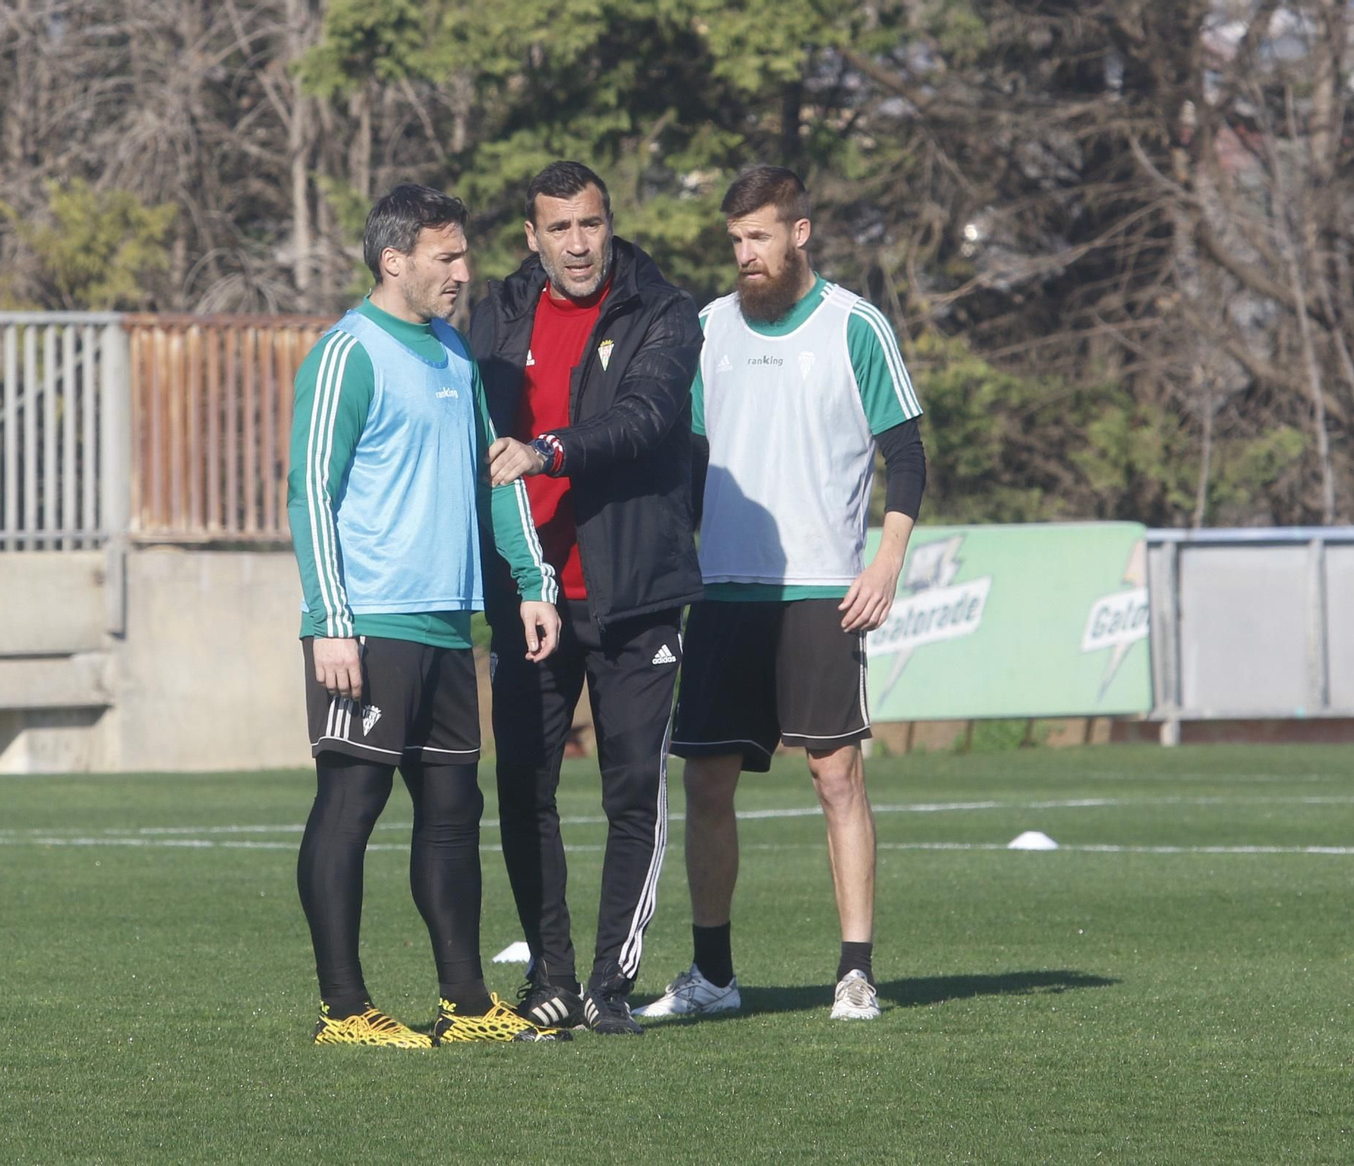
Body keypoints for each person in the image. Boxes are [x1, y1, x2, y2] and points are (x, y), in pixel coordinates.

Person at [637, 165, 927, 1023]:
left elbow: (905, 453)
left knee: (836, 775)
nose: (745, 254)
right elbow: (685, 464)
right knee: (707, 783)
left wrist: (886, 563)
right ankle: (715, 977)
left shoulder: (855, 327)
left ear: (801, 233)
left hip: (822, 589)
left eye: (759, 236)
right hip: (722, 591)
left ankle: (856, 972)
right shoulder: (705, 330)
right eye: (734, 240)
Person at [286, 182, 569, 1048]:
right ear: (394, 260)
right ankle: (345, 1009)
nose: (463, 271)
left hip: (452, 627)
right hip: (368, 622)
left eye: (464, 254)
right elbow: (310, 493)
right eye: (446, 257)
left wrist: (531, 580)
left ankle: (465, 1000)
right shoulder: (347, 353)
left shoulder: (453, 351)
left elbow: (498, 475)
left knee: (454, 809)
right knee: (353, 801)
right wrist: (331, 616)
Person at [469, 161, 705, 1036]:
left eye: (591, 225)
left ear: (611, 225)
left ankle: (609, 986)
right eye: (560, 228)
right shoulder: (494, 316)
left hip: (635, 593)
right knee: (524, 786)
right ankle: (552, 980)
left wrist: (547, 451)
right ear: (533, 237)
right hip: (529, 596)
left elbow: (646, 415)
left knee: (631, 788)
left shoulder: (665, 312)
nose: (578, 243)